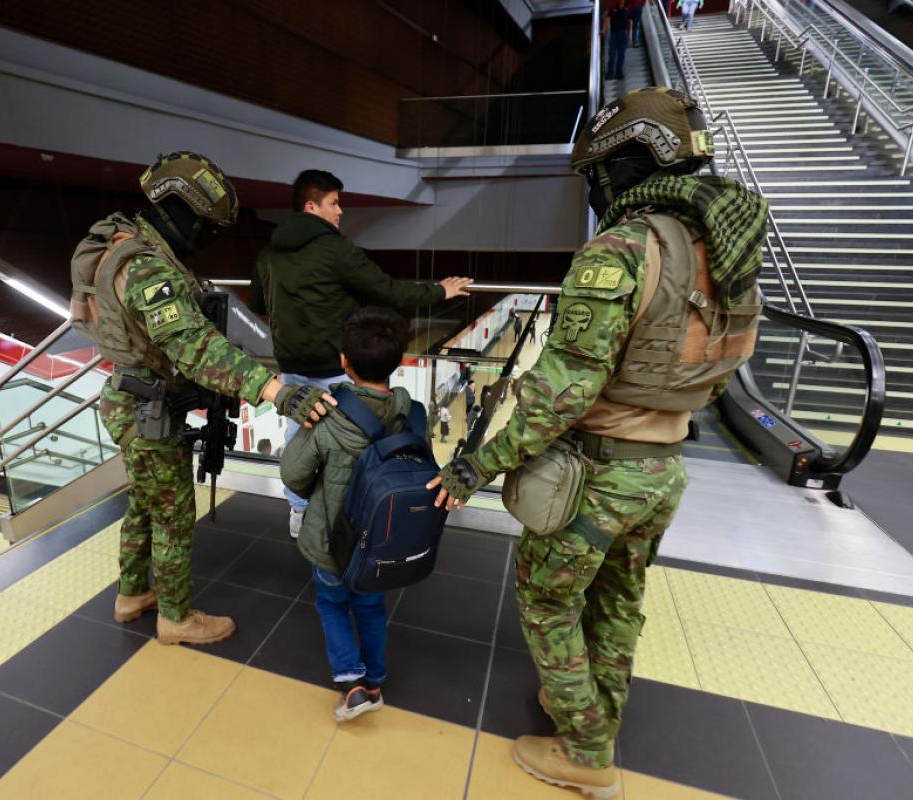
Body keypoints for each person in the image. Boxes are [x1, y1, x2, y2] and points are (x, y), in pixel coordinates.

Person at [429, 88, 766, 798]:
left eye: (602, 167)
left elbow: (560, 395)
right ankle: (595, 715)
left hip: (598, 474)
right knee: (618, 598)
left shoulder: (623, 250)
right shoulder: (724, 245)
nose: (597, 184)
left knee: (547, 602)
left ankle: (585, 753)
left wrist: (476, 467)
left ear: (633, 159)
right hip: (664, 467)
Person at [70, 151, 333, 646]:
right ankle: (175, 617)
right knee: (172, 512)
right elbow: (193, 345)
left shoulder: (125, 240)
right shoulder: (147, 268)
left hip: (131, 395)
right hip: (145, 409)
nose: (206, 239)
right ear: (182, 211)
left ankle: (131, 594)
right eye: (206, 228)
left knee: (147, 503)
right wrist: (276, 391)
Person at [248, 169, 472, 538]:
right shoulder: (334, 249)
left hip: (290, 367)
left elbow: (257, 300)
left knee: (299, 439)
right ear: (311, 206)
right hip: (336, 368)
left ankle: (299, 512)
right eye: (334, 203)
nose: (341, 212)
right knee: (351, 444)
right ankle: (351, 517)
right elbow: (387, 290)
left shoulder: (269, 252)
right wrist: (438, 292)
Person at [280, 307, 412, 721]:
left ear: (343, 362)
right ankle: (374, 680)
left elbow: (293, 473)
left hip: (330, 539)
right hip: (381, 540)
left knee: (332, 603)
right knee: (371, 607)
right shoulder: (408, 413)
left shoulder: (328, 414)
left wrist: (315, 492)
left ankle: (352, 682)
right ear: (400, 362)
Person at [603, 0, 632, 81]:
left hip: (623, 34)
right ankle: (610, 73)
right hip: (613, 34)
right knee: (611, 54)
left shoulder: (627, 9)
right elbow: (607, 20)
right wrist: (604, 30)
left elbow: (630, 22)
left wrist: (630, 35)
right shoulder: (612, 9)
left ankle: (619, 72)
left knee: (621, 54)